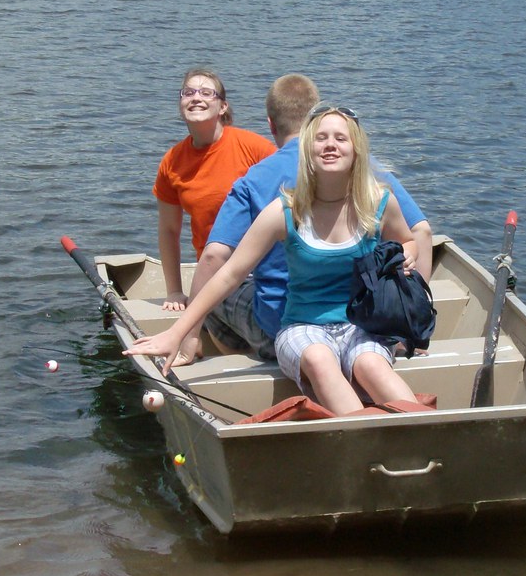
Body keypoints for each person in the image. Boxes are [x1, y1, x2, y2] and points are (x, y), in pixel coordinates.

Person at [125, 104, 421, 415]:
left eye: (340, 138)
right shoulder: (285, 211)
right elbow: (229, 274)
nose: (330, 145)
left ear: (356, 150)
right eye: (320, 138)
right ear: (307, 151)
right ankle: (363, 433)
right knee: (320, 359)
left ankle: (423, 429)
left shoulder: (378, 203)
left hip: (359, 324)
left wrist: (407, 256)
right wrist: (178, 333)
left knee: (372, 364)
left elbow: (410, 240)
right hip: (302, 327)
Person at [172, 73, 433, 365]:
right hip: (357, 321)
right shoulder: (362, 169)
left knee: (215, 293)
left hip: (279, 329)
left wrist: (188, 336)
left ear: (271, 124)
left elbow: (213, 257)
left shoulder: (255, 178)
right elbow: (421, 232)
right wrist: (407, 322)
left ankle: (225, 350)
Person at [153, 67, 275, 310]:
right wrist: (174, 291)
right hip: (213, 271)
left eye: (206, 93)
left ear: (222, 107)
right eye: (188, 92)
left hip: (261, 268)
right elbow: (169, 230)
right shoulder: (172, 161)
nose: (196, 98)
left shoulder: (255, 149)